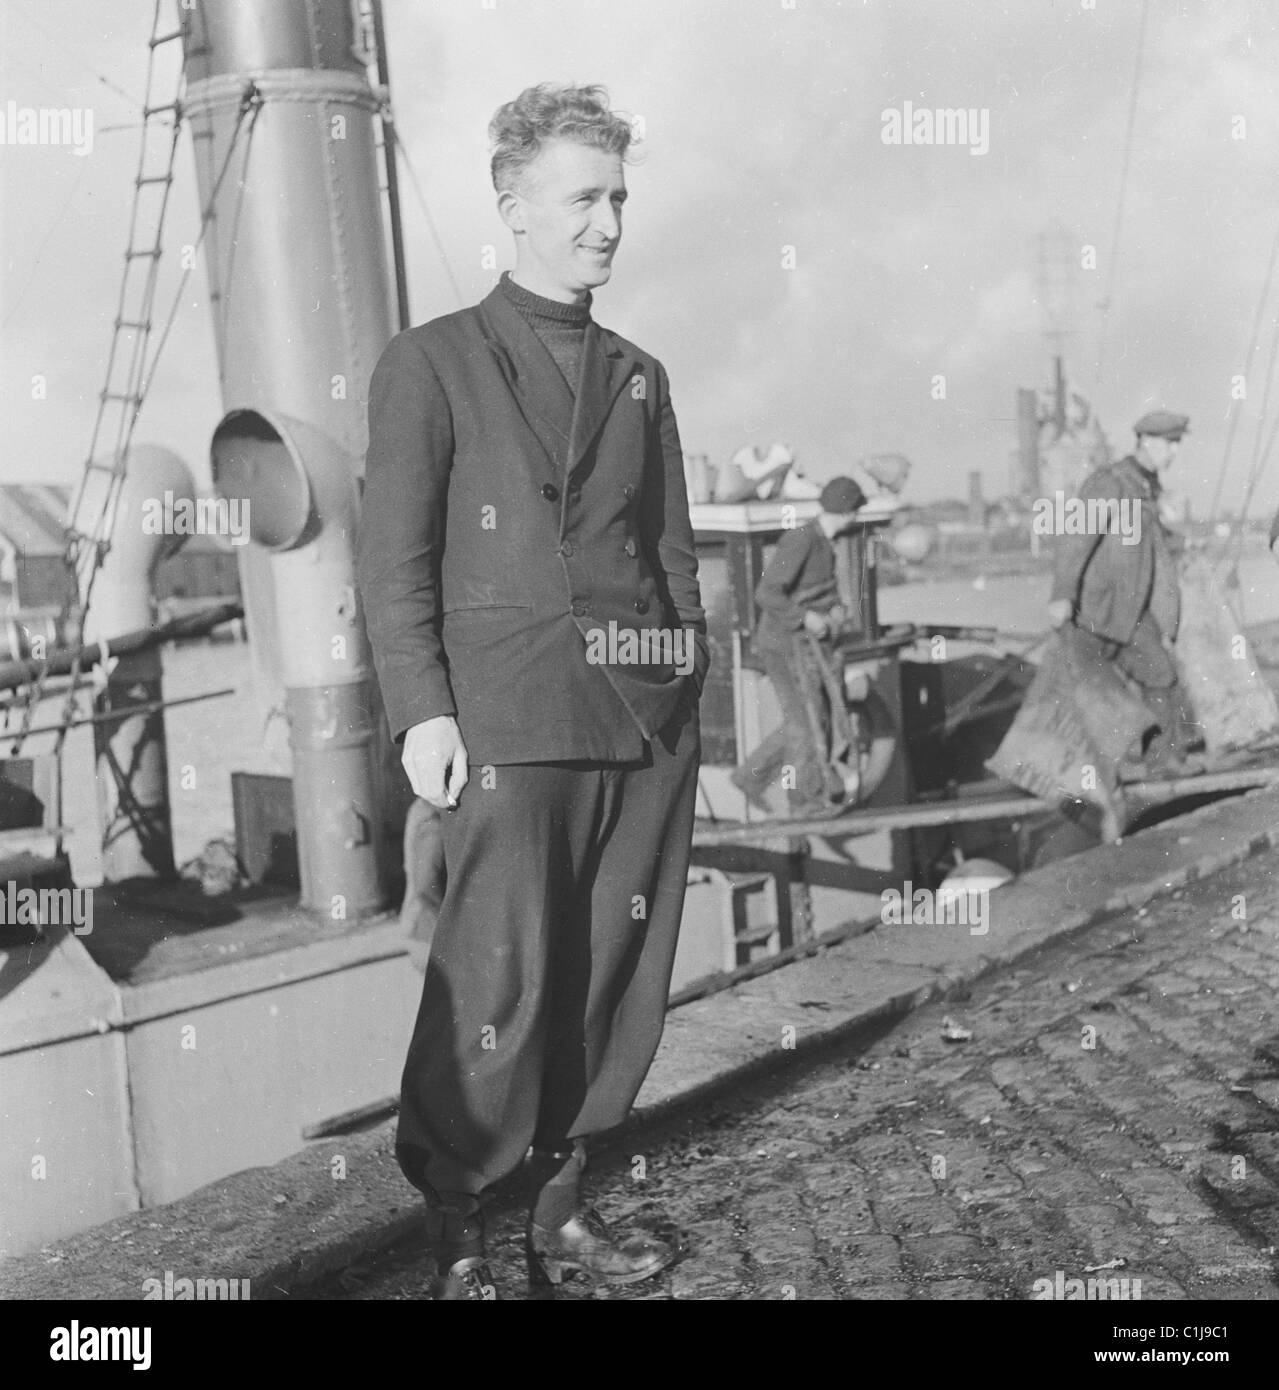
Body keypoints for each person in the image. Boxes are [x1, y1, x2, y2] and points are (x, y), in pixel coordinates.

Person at [355, 83, 707, 1299]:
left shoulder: (641, 375)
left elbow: (670, 553)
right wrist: (424, 713)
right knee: (498, 979)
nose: (608, 222)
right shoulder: (432, 363)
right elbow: (391, 559)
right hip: (505, 722)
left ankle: (561, 1217)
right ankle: (459, 1232)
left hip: (640, 725)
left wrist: (682, 685)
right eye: (582, 198)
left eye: (617, 197)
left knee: (613, 980)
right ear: (513, 207)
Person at [1047, 409, 1198, 769]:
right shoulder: (1111, 483)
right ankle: (1079, 775)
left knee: (1161, 674)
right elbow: (1077, 539)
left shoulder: (1146, 489)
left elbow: (1151, 552)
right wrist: (1062, 596)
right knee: (1087, 699)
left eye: (1177, 443)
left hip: (1128, 613)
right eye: (1168, 443)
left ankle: (1163, 762)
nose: (1173, 452)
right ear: (1145, 441)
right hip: (1093, 611)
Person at [732, 477, 866, 816]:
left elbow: (822, 592)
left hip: (802, 646)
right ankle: (804, 801)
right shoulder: (802, 540)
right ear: (848, 512)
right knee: (806, 722)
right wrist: (806, 617)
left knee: (806, 719)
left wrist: (835, 610)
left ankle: (752, 777)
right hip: (783, 645)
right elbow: (767, 593)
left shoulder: (825, 544)